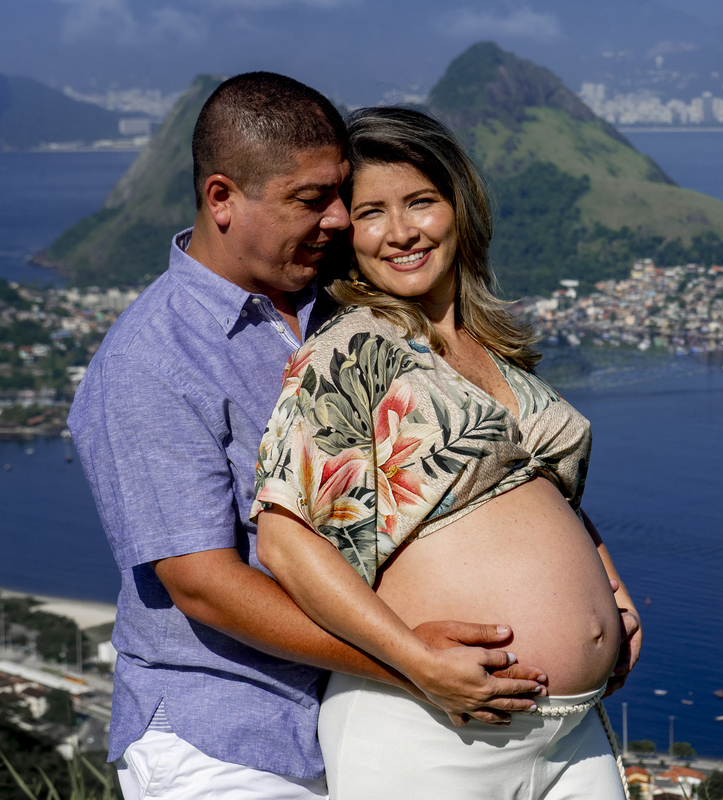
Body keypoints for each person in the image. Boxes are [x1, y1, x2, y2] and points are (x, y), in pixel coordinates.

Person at [68, 73, 551, 800]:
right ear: (222, 198)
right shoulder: (151, 361)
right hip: (225, 738)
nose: (337, 220)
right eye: (310, 199)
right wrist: (410, 659)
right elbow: (204, 584)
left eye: (339, 194)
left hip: (357, 724)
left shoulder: (344, 310)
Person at [249, 105, 642, 799]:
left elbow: (548, 501)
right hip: (427, 727)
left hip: (570, 731)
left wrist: (610, 593)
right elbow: (285, 540)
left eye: (421, 202)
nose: (401, 232)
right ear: (346, 232)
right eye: (372, 212)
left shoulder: (496, 354)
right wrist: (413, 660)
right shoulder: (352, 350)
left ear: (458, 207)